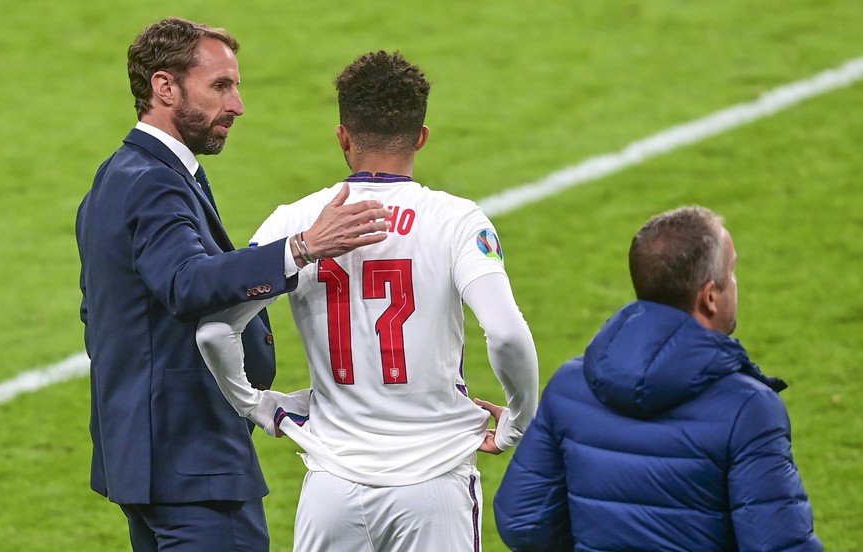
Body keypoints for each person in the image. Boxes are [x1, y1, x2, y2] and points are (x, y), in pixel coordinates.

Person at [196, 50, 540, 551]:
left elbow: (214, 329)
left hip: (331, 489)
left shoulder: (296, 222)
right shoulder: (458, 221)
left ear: (343, 136)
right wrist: (518, 422)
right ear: (421, 136)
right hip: (434, 482)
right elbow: (507, 334)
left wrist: (255, 405)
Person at [75, 18, 391, 552]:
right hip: (192, 465)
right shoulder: (155, 182)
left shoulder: (118, 174)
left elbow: (102, 311)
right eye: (220, 86)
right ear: (165, 87)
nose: (238, 104)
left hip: (144, 458)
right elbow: (185, 282)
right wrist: (302, 248)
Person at [493, 206, 822, 551]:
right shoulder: (749, 408)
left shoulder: (569, 387)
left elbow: (523, 522)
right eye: (733, 271)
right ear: (710, 296)